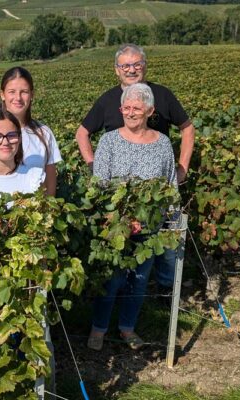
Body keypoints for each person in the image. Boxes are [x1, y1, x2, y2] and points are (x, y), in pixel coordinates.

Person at [75, 43, 194, 293]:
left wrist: (182, 166)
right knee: (122, 249)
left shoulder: (162, 95)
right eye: (125, 65)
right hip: (121, 198)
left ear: (145, 65)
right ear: (116, 70)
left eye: (136, 64)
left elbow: (187, 127)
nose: (131, 69)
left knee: (168, 247)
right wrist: (95, 167)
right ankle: (122, 295)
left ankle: (164, 291)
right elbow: (82, 133)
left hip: (159, 192)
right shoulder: (108, 100)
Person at [87, 83, 177, 351]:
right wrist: (120, 220)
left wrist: (170, 219)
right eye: (126, 107)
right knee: (112, 280)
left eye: (137, 107)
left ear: (150, 110)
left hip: (150, 228)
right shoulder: (109, 141)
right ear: (120, 109)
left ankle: (127, 328)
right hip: (116, 227)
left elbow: (169, 185)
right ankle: (98, 329)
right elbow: (100, 184)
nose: (131, 112)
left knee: (139, 279)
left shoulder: (163, 144)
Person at [0, 66, 62, 196]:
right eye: (12, 92)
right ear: (2, 94)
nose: (18, 98)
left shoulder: (44, 133)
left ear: (32, 95)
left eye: (24, 91)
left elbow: (50, 182)